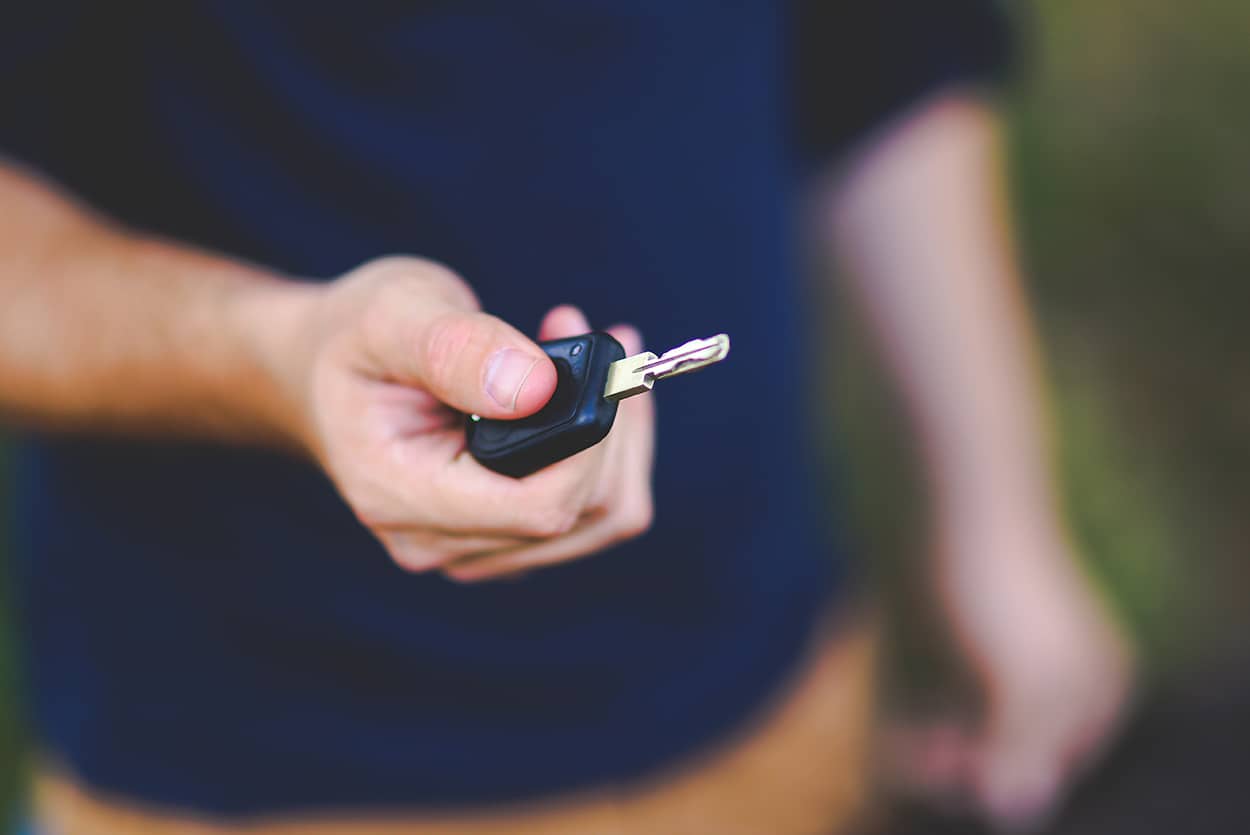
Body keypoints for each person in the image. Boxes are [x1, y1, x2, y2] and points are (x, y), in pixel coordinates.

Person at [0, 3, 1132, 833]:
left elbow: (879, 42)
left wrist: (998, 511)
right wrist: (282, 354)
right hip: (281, 772)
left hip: (782, 695)